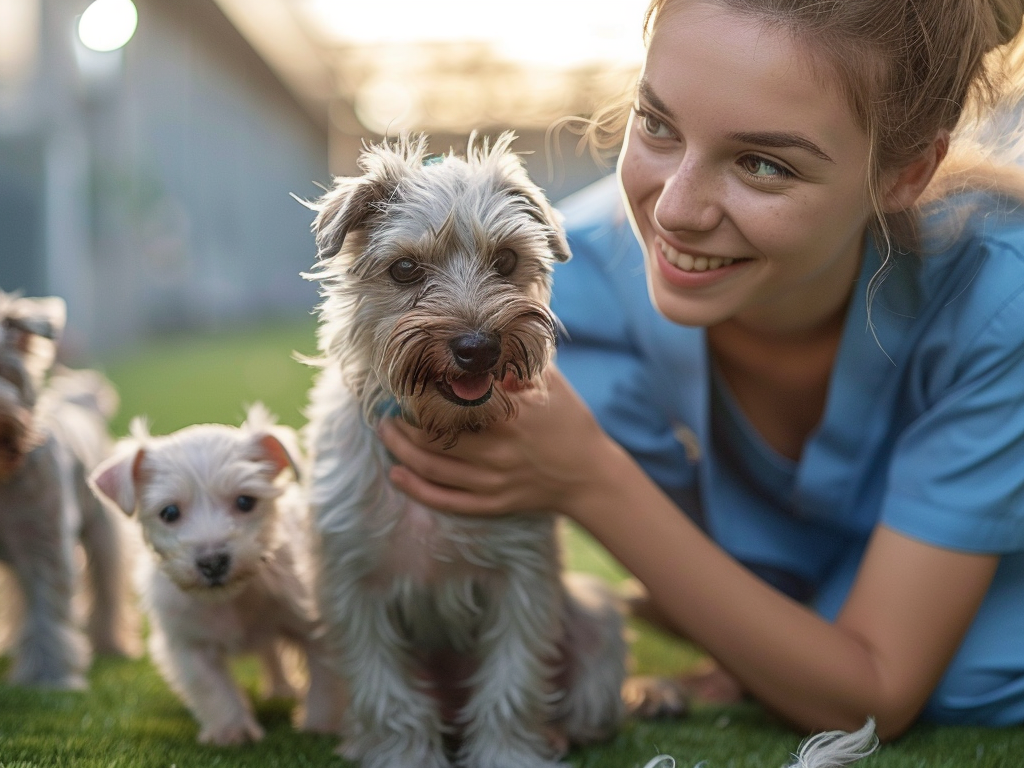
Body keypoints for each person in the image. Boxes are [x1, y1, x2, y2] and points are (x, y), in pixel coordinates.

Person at [377, 0, 1024, 740]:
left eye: (762, 163)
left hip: (954, 601)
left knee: (978, 675)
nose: (675, 210)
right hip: (793, 593)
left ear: (905, 174)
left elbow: (872, 698)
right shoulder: (537, 291)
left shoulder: (1001, 300)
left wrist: (591, 478)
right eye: (656, 124)